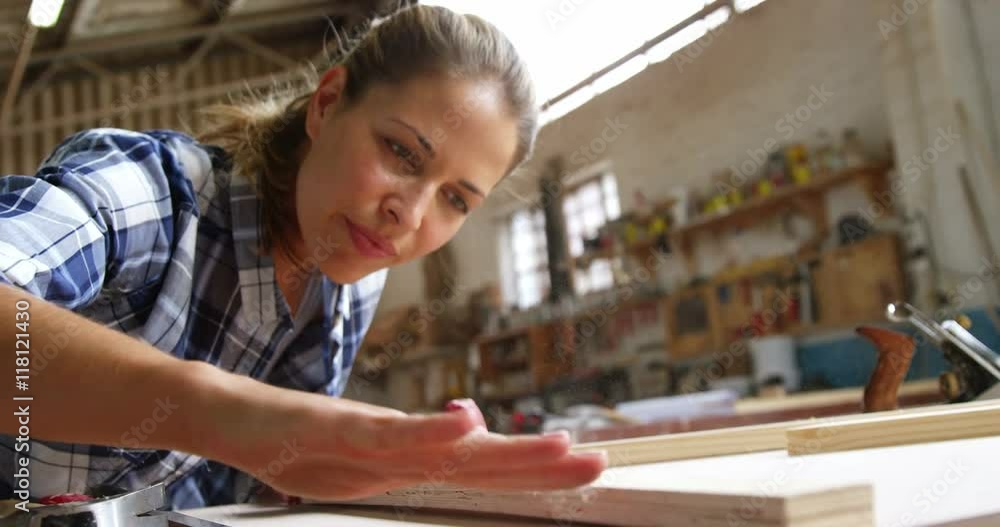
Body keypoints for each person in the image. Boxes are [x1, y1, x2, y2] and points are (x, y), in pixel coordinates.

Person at [0, 5, 606, 510]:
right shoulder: (150, 195)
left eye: (455, 199)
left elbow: (250, 490)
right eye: (401, 151)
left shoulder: (354, 284)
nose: (412, 215)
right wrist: (229, 417)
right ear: (327, 103)